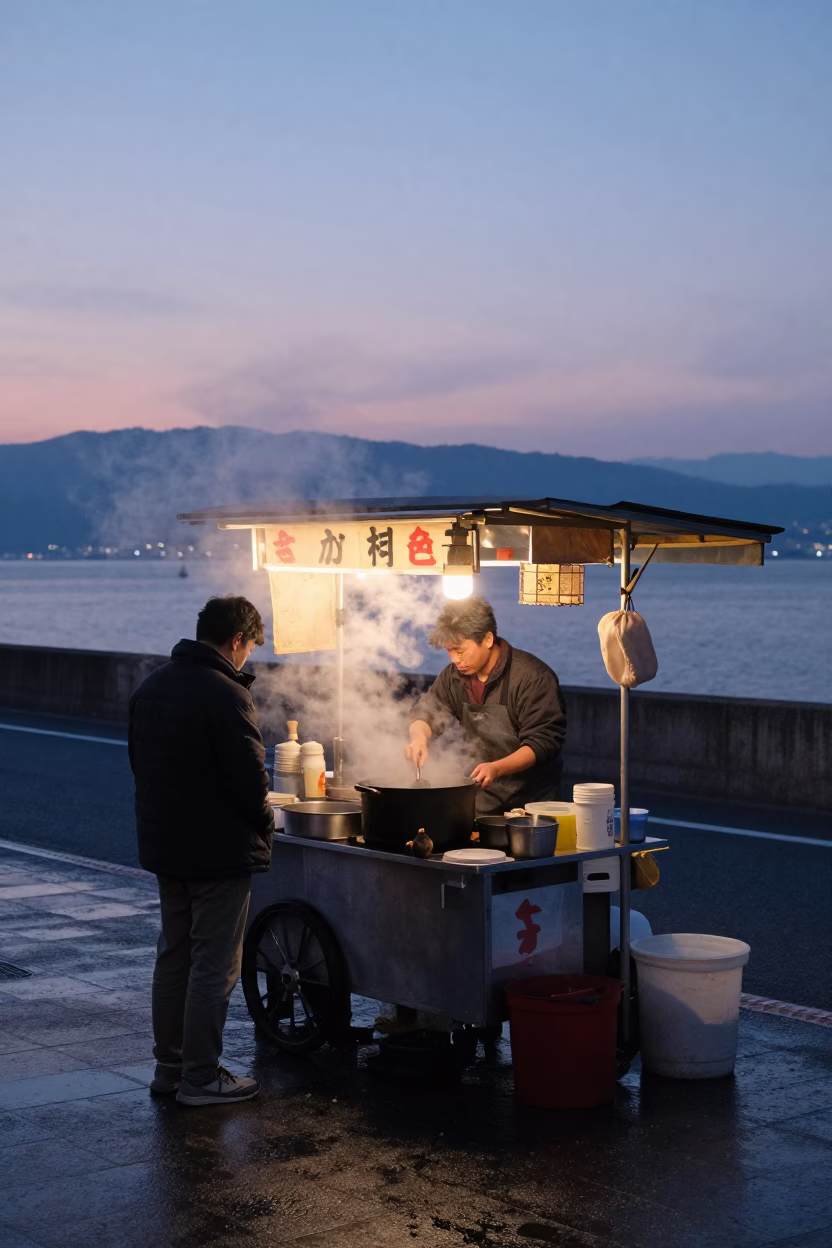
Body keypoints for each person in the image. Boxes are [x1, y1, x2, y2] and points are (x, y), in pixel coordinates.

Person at [128, 595, 274, 1106]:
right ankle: (201, 1077)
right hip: (218, 853)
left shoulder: (153, 685)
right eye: (251, 645)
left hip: (166, 846)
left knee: (175, 956)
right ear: (238, 639)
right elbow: (250, 785)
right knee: (215, 965)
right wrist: (268, 823)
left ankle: (169, 1070)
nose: (249, 656)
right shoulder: (225, 693)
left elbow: (138, 766)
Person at [405, 596, 566, 815]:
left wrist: (496, 767)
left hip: (533, 808)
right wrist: (419, 739)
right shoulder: (453, 677)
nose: (454, 660)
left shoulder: (532, 677)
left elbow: (542, 742)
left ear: (488, 639)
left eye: (460, 651)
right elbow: (426, 713)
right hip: (481, 803)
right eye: (449, 651)